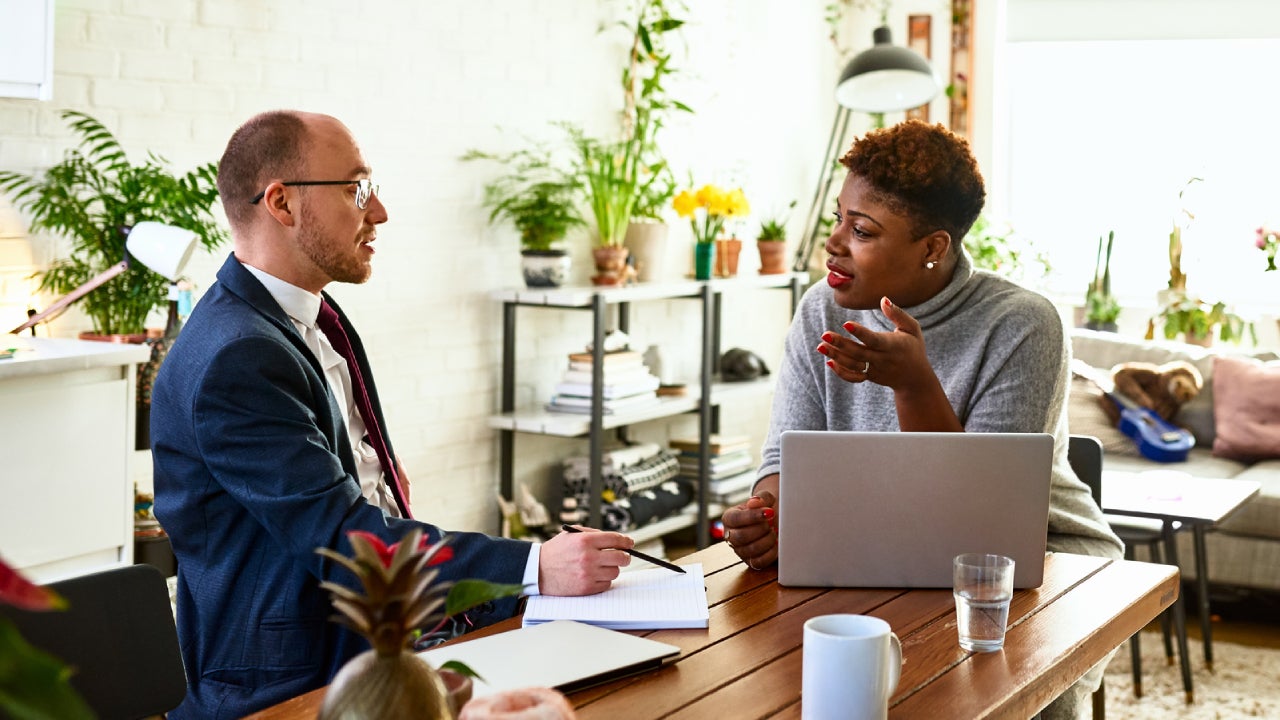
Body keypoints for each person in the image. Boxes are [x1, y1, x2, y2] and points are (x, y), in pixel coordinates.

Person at [151, 110, 634, 719]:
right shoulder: (238, 357)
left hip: (377, 647)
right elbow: (345, 542)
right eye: (357, 188)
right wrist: (535, 566)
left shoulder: (306, 319)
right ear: (281, 203)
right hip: (293, 690)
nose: (378, 212)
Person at [719, 120, 1122, 720]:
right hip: (866, 550)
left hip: (1035, 565)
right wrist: (771, 517)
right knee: (790, 690)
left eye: (862, 231)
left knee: (980, 700)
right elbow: (785, 457)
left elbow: (982, 521)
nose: (833, 242)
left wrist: (913, 383)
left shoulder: (1023, 325)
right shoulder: (818, 311)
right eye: (838, 219)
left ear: (933, 247)